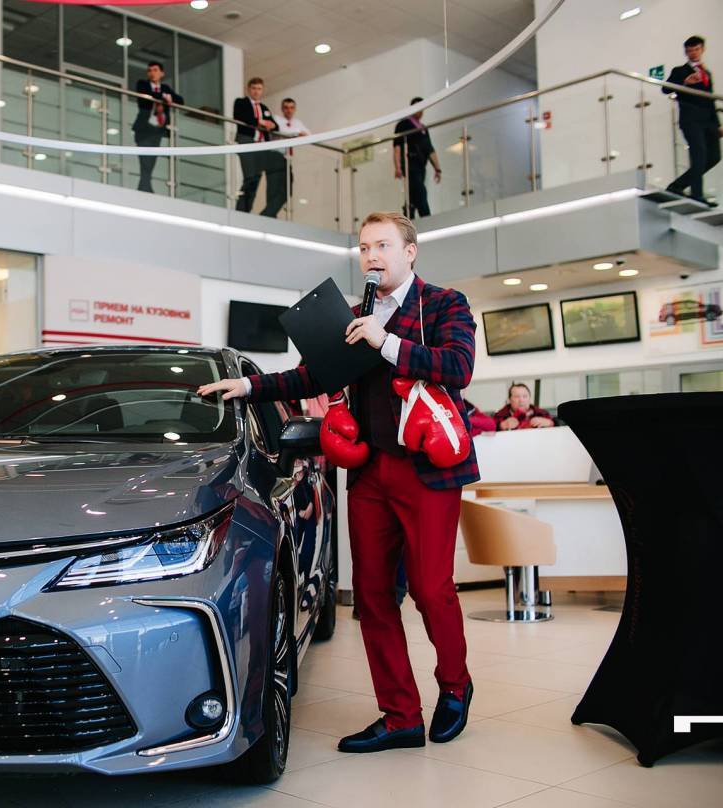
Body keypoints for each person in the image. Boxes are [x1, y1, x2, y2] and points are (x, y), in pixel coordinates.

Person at [198, 211, 479, 753]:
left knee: (431, 589)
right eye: (364, 247)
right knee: (371, 597)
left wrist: (385, 341)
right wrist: (250, 386)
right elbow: (312, 375)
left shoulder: (444, 304)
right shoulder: (352, 316)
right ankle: (400, 715)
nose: (371, 256)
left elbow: (458, 366)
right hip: (370, 473)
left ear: (410, 252)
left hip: (429, 470)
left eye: (383, 245)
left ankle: (455, 684)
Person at [665, 36, 723, 206]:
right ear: (686, 52)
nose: (693, 53)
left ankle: (677, 185)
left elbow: (710, 100)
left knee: (714, 157)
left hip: (709, 121)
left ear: (702, 49)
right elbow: (665, 88)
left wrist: (718, 125)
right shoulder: (680, 71)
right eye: (689, 50)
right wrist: (684, 82)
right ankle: (697, 194)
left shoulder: (707, 73)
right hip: (691, 120)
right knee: (699, 155)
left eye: (696, 49)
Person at [132, 61, 183, 194]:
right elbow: (146, 97)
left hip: (157, 131)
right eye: (149, 70)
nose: (152, 73)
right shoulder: (142, 84)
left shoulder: (165, 88)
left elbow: (180, 100)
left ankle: (144, 188)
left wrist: (168, 98)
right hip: (144, 130)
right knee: (145, 160)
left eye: (155, 70)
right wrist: (164, 98)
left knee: (151, 160)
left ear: (162, 73)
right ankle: (145, 189)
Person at [233, 78, 279, 216]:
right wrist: (260, 122)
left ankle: (246, 211)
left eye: (259, 89)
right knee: (250, 176)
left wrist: (271, 125)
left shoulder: (264, 108)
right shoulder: (241, 102)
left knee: (256, 178)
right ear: (248, 89)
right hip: (247, 141)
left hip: (261, 146)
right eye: (254, 88)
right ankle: (241, 212)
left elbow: (275, 126)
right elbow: (240, 117)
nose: (256, 91)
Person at [394, 98, 442, 219]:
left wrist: (437, 168)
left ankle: (407, 221)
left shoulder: (423, 128)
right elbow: (397, 147)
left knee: (413, 197)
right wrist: (398, 167)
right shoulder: (403, 124)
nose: (420, 111)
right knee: (420, 193)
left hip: (421, 166)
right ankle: (427, 220)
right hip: (410, 165)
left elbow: (429, 149)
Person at [269, 98, 311, 218]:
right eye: (286, 108)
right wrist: (296, 133)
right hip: (275, 156)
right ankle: (269, 215)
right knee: (274, 188)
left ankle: (269, 213)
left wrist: (295, 132)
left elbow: (308, 134)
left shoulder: (297, 122)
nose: (289, 110)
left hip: (287, 158)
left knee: (287, 188)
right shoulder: (277, 119)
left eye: (292, 108)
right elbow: (281, 131)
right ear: (282, 109)